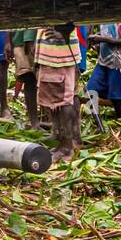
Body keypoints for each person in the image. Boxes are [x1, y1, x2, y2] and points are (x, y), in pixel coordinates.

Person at [35, 25, 81, 161]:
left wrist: (65, 30)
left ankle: (67, 146)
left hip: (59, 55)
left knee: (63, 100)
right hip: (51, 53)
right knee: (54, 100)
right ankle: (62, 140)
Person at [87, 22, 121, 118]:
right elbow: (105, 33)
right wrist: (97, 39)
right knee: (91, 88)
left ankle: (120, 117)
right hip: (103, 61)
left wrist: (102, 39)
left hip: (119, 63)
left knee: (116, 96)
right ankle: (94, 118)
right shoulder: (104, 19)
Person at [12, 28, 40, 128]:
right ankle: (34, 122)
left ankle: (39, 120)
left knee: (39, 81)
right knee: (29, 80)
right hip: (24, 42)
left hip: (33, 41)